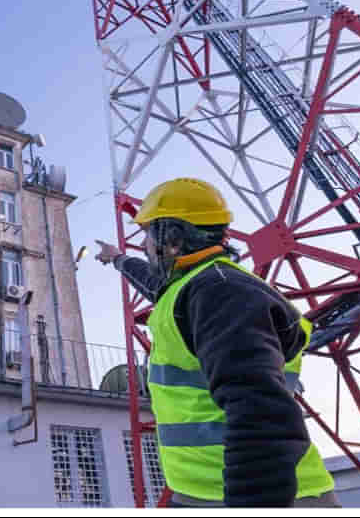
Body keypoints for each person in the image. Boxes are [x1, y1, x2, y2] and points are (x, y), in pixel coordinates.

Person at [94, 178, 338, 508]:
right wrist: (117, 259)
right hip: (205, 490)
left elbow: (261, 413)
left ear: (173, 240)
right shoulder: (195, 287)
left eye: (149, 235)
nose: (145, 246)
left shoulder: (220, 292)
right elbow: (155, 284)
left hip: (254, 492)